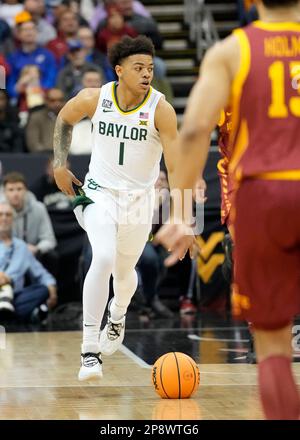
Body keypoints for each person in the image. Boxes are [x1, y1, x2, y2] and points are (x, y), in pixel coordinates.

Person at [155, 0, 300, 420]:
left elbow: (197, 128)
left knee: (272, 347)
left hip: (263, 195)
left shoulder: (232, 52)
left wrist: (182, 213)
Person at [53, 35, 177, 381]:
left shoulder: (161, 109)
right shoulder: (96, 98)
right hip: (98, 193)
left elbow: (178, 165)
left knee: (124, 277)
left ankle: (118, 313)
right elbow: (64, 118)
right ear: (119, 70)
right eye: (138, 67)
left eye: (150, 68)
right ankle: (89, 350)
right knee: (103, 257)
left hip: (139, 201)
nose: (146, 74)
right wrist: (59, 164)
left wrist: (182, 218)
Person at [0, 202, 57, 322]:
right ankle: (10, 316)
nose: (4, 218)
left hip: (15, 297)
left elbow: (39, 272)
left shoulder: (22, 247)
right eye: (0, 214)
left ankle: (8, 314)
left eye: (8, 215)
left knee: (43, 290)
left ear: (13, 219)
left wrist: (51, 286)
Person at [2, 172, 58, 276]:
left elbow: (49, 239)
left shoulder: (38, 208)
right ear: (4, 192)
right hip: (6, 253)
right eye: (11, 190)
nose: (15, 194)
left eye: (19, 189)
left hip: (32, 253)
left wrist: (37, 248)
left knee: (52, 256)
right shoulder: (2, 210)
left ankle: (49, 286)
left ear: (26, 191)